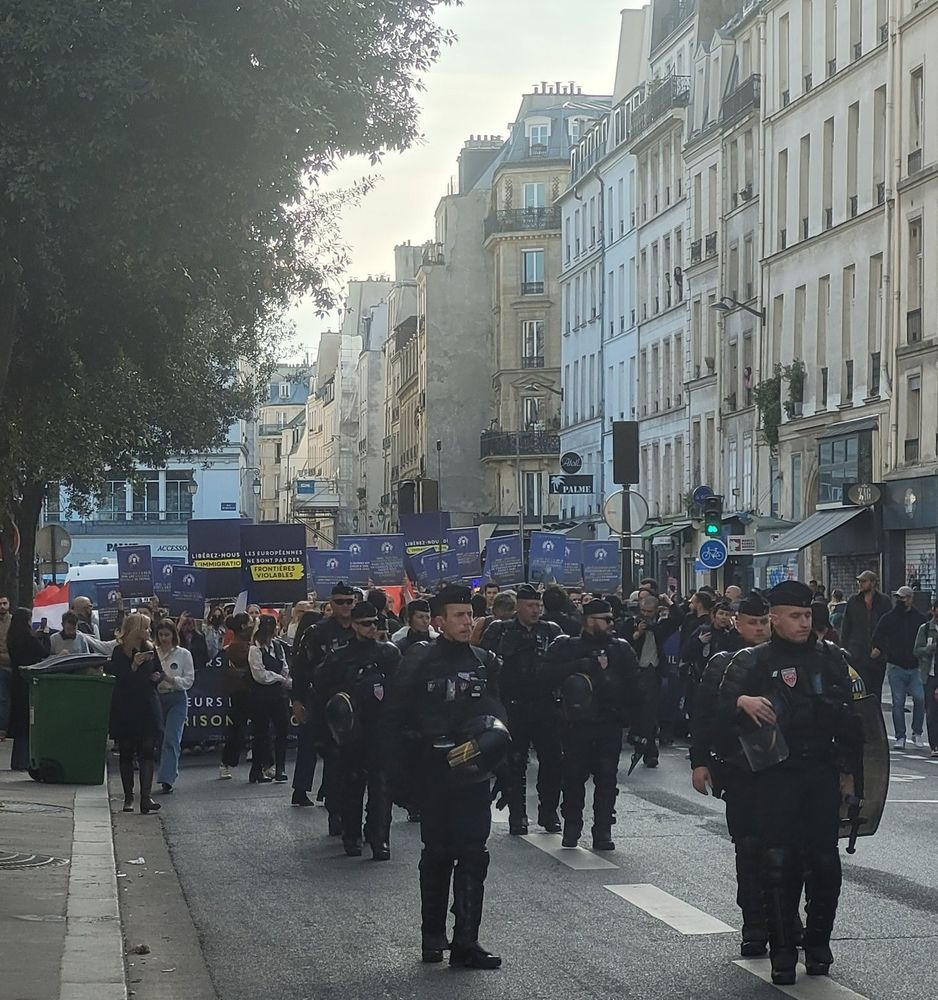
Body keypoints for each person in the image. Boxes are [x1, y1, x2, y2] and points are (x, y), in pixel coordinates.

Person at [717, 580, 862, 985]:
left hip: (820, 772)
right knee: (778, 862)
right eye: (795, 616)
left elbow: (853, 724)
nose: (804, 623)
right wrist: (739, 702)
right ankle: (782, 951)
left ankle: (818, 945)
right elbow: (713, 715)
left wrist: (851, 777)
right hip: (774, 775)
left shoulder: (832, 659)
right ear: (775, 618)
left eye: (807, 615)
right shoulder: (751, 662)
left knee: (824, 862)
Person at [381, 584, 506, 969]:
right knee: (437, 855)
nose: (466, 622)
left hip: (473, 772)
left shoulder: (485, 661)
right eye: (458, 616)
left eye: (469, 615)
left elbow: (499, 716)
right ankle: (432, 937)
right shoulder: (418, 661)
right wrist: (399, 778)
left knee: (473, 854)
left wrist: (501, 765)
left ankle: (466, 941)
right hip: (432, 771)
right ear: (439, 621)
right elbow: (394, 719)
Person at [689, 592, 773, 957]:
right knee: (750, 848)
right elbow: (703, 714)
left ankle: (788, 921)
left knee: (792, 851)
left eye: (764, 622)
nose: (759, 629)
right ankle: (754, 924)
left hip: (785, 768)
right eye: (752, 622)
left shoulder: (788, 660)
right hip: (740, 768)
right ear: (738, 623)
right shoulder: (723, 663)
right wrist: (700, 761)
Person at [543, 598, 650, 851]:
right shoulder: (566, 646)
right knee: (572, 778)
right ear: (589, 620)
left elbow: (637, 689)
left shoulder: (621, 649)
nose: (612, 625)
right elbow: (545, 678)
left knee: (606, 780)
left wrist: (642, 729)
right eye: (606, 620)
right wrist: (576, 667)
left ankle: (602, 830)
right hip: (575, 725)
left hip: (608, 723)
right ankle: (572, 826)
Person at [316, 601, 401, 859]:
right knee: (352, 786)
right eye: (365, 624)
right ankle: (351, 835)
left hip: (381, 728)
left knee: (382, 787)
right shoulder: (339, 657)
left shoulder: (388, 654)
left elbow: (400, 691)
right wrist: (326, 736)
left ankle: (379, 838)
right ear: (354, 625)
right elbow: (323, 697)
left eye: (374, 623)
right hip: (351, 730)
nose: (371, 628)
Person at [480, 584, 563, 835]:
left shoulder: (551, 631)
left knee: (552, 761)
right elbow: (486, 663)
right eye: (530, 605)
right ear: (518, 607)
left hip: (546, 704)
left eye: (538, 605)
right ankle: (518, 815)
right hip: (513, 704)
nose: (536, 610)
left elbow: (562, 664)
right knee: (515, 763)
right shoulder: (500, 629)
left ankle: (549, 812)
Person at [290, 583, 355, 815]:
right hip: (320, 699)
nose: (346, 606)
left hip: (353, 702)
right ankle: (302, 789)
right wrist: (297, 700)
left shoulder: (361, 629)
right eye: (340, 602)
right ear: (331, 604)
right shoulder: (317, 631)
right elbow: (300, 668)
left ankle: (333, 799)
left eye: (350, 601)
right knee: (312, 746)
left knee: (344, 756)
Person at [107, 613, 165, 814]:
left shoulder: (150, 648)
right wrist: (134, 664)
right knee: (127, 751)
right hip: (126, 705)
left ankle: (146, 796)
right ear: (135, 629)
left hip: (148, 703)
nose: (149, 632)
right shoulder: (118, 651)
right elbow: (120, 676)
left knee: (148, 750)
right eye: (146, 628)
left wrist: (157, 676)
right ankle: (129, 797)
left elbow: (159, 670)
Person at [625, 592, 684, 763]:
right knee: (638, 712)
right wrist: (636, 635)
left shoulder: (660, 627)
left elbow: (679, 618)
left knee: (650, 712)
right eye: (642, 610)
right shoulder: (631, 623)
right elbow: (621, 642)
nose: (645, 614)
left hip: (653, 672)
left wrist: (669, 601)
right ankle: (640, 743)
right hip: (635, 672)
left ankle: (649, 750)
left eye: (649, 612)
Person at [872, 586, 928, 749]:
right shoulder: (889, 618)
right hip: (895, 665)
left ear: (911, 599)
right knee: (898, 701)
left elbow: (926, 638)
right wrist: (882, 649)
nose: (899, 601)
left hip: (915, 666)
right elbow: (878, 636)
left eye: (903, 598)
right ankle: (900, 737)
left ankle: (917, 732)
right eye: (898, 597)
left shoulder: (919, 619)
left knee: (920, 698)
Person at [247, 615, 293, 784]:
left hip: (278, 696)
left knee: (283, 730)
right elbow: (259, 675)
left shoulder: (279, 647)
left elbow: (285, 668)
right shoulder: (255, 650)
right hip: (260, 696)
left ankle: (280, 768)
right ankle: (257, 770)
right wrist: (280, 679)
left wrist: (283, 679)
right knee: (261, 733)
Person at [154, 619, 195, 794]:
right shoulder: (152, 652)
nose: (164, 638)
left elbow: (189, 681)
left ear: (173, 635)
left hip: (177, 698)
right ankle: (168, 767)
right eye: (161, 635)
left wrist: (170, 679)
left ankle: (167, 779)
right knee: (158, 738)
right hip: (156, 697)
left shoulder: (183, 654)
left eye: (167, 635)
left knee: (172, 738)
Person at [6, 608, 49, 770]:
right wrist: (45, 635)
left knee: (19, 722)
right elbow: (43, 652)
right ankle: (24, 760)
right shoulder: (27, 638)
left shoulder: (12, 637)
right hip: (28, 682)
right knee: (27, 722)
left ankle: (17, 760)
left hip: (16, 680)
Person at [839, 570, 892, 702]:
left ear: (873, 583)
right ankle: (861, 721)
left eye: (863, 581)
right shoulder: (853, 601)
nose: (860, 584)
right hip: (857, 655)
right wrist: (844, 650)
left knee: (875, 693)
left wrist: (881, 648)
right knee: (860, 692)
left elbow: (889, 629)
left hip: (877, 657)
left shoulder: (884, 602)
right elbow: (846, 628)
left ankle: (874, 721)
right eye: (859, 581)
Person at [219, 613, 254, 780]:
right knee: (238, 729)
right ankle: (226, 762)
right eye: (251, 622)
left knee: (261, 726)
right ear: (243, 626)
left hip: (254, 690)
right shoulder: (236, 646)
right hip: (241, 691)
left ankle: (265, 763)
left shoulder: (250, 644)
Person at [913, 600, 938, 757]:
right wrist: (929, 649)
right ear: (933, 610)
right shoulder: (925, 628)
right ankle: (934, 745)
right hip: (930, 675)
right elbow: (917, 650)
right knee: (931, 712)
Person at [0, 595, 10, 742]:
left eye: (4, 603)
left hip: (7, 664)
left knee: (3, 698)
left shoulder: (13, 621)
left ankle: (3, 728)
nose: (2, 606)